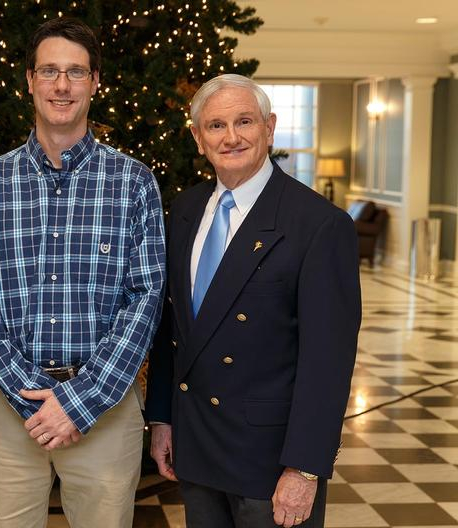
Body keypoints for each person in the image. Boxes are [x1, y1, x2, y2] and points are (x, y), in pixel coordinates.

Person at [0, 17, 165, 528]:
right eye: (49, 71)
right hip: (10, 409)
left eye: (76, 72)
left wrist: (78, 401)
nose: (62, 85)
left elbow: (145, 299)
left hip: (106, 406)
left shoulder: (134, 183)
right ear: (30, 80)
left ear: (95, 82)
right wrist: (30, 396)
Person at [145, 74, 361, 528]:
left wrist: (305, 468)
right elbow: (172, 331)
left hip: (270, 463)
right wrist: (163, 419)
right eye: (216, 125)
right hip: (196, 448)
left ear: (270, 127)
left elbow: (328, 362)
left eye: (244, 121)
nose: (232, 137)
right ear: (198, 138)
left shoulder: (318, 224)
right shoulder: (184, 210)